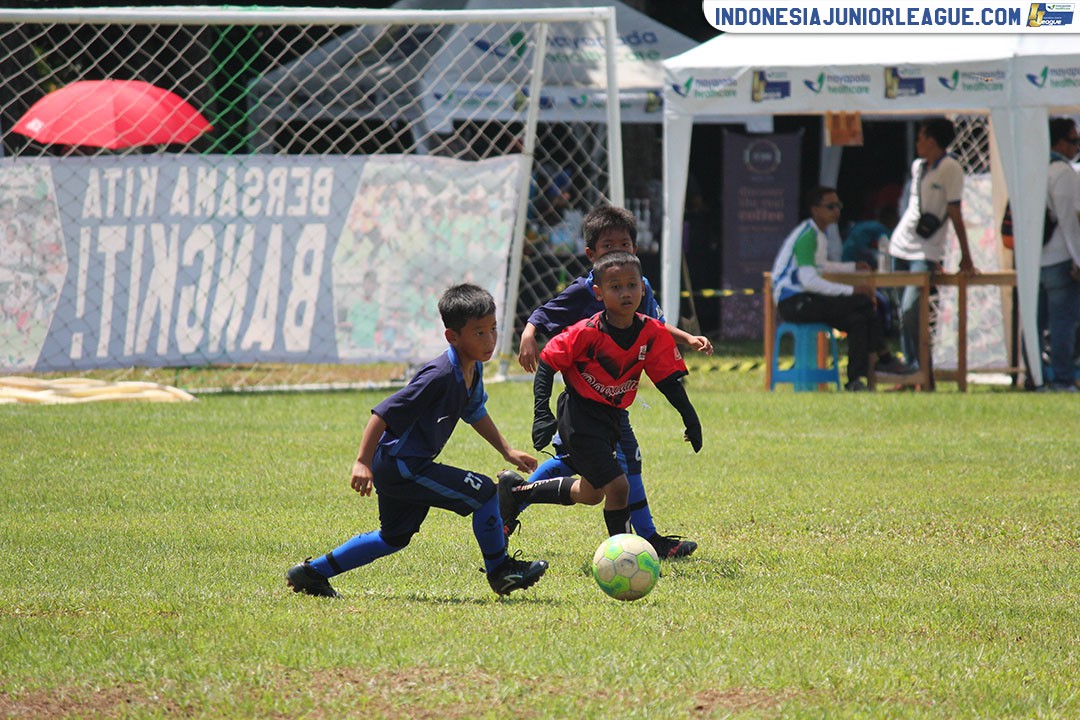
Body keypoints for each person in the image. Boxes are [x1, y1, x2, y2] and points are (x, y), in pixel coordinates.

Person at [286, 284, 548, 598]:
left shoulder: (472, 368)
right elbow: (382, 414)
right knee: (484, 492)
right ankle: (500, 570)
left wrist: (506, 450)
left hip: (406, 464)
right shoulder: (438, 375)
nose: (490, 339)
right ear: (452, 337)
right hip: (401, 465)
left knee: (393, 538)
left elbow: (473, 410)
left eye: (493, 329)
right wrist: (361, 462)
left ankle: (311, 574)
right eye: (479, 333)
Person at [516, 204, 712, 559]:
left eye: (624, 244)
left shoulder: (639, 286)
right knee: (618, 474)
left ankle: (514, 497)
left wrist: (685, 339)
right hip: (581, 402)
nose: (618, 252)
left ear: (635, 250)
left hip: (613, 402)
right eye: (609, 247)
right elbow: (546, 315)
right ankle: (637, 546)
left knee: (590, 484)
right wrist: (530, 333)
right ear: (592, 255)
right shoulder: (584, 293)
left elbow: (649, 327)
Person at [771, 186, 914, 392]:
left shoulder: (818, 235)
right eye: (830, 206)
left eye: (838, 205)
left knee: (857, 321)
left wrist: (851, 267)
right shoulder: (807, 236)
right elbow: (809, 280)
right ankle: (884, 357)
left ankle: (855, 381)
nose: (836, 211)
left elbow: (821, 265)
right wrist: (851, 291)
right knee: (863, 302)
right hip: (793, 302)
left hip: (805, 298)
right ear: (815, 210)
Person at [889, 117, 977, 371]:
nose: (917, 143)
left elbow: (954, 212)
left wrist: (966, 256)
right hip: (900, 244)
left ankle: (920, 370)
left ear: (932, 140)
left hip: (925, 250)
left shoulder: (951, 168)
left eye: (921, 137)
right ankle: (910, 369)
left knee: (910, 309)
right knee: (902, 313)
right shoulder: (919, 166)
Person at [1039, 117, 1080, 391]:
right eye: (1074, 141)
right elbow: (1070, 221)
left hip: (1036, 261)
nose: (1076, 148)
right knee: (1062, 323)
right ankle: (1063, 378)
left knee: (1036, 322)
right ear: (1059, 142)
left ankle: (1037, 375)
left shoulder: (1034, 167)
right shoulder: (1063, 172)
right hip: (1060, 260)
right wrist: (1079, 260)